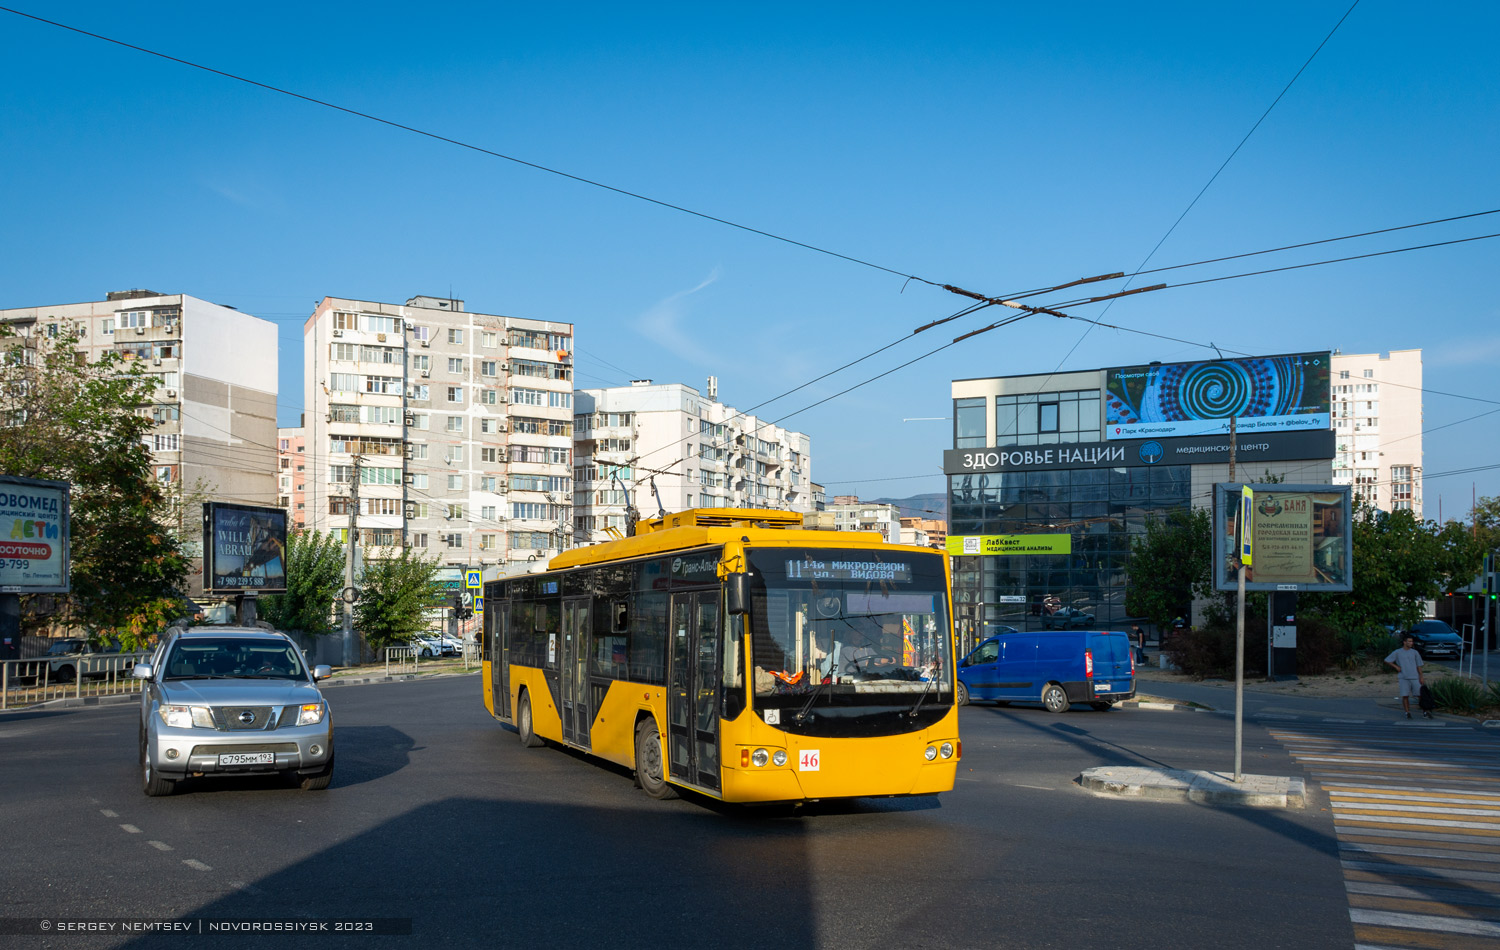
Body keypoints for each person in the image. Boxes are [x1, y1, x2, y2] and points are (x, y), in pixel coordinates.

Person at [1384, 634, 1427, 719]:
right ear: (1404, 642)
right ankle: (1407, 712)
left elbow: (1419, 665)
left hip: (1414, 676)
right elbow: (1387, 660)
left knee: (1420, 695)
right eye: (1409, 641)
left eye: (1412, 641)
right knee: (1405, 695)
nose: (1411, 643)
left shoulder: (1415, 652)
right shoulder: (1398, 652)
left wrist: (1421, 676)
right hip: (1403, 677)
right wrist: (1396, 667)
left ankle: (1425, 711)